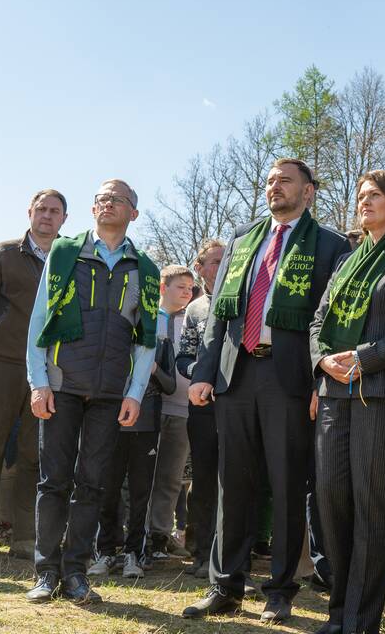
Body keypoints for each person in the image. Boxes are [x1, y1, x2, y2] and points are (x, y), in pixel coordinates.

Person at [183, 158, 350, 622]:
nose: (275, 187)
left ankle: (279, 590)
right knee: (231, 484)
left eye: (286, 181)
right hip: (236, 376)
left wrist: (322, 381)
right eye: (271, 181)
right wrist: (203, 372)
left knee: (286, 486)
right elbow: (219, 311)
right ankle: (225, 587)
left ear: (309, 192)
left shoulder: (330, 245)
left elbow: (333, 320)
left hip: (290, 379)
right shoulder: (243, 239)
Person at [24, 179, 161, 605]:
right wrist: (38, 382)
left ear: (132, 213)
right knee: (53, 483)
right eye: (100, 198)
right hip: (62, 386)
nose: (105, 204)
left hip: (108, 394)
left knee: (92, 485)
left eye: (115, 199)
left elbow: (146, 340)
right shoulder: (65, 253)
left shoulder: (147, 269)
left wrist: (135, 393)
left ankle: (76, 574)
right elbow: (39, 320)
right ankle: (46, 573)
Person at [310, 170, 385, 634]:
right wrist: (323, 361)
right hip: (333, 396)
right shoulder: (347, 261)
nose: (363, 201)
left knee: (373, 509)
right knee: (332, 503)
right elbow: (318, 321)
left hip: (381, 398)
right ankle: (338, 614)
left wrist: (365, 358)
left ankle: (360, 622)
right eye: (361, 195)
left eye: (374, 195)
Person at [0, 189, 67, 558]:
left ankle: (25, 538)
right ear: (29, 212)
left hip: (47, 371)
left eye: (54, 211)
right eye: (41, 209)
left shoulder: (69, 258)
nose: (47, 215)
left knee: (33, 454)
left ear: (64, 219)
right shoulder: (3, 254)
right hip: (0, 364)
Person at [89, 265, 192, 579]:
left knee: (139, 490)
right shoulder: (112, 329)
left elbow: (171, 385)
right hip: (110, 420)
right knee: (107, 488)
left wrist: (153, 372)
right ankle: (105, 551)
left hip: (146, 423)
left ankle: (135, 552)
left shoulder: (158, 337)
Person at [177, 238, 225, 579]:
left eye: (226, 260)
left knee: (237, 479)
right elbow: (183, 357)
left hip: (240, 403)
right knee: (204, 480)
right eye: (214, 261)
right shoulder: (195, 309)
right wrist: (202, 376)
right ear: (200, 268)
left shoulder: (247, 300)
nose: (221, 266)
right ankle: (200, 552)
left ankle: (233, 555)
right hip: (203, 405)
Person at [147, 260, 199, 560]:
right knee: (142, 475)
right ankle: (134, 534)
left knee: (171, 477)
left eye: (191, 288)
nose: (187, 293)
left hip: (182, 409)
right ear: (164, 287)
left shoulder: (190, 321)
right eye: (181, 287)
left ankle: (160, 535)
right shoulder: (148, 318)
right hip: (150, 407)